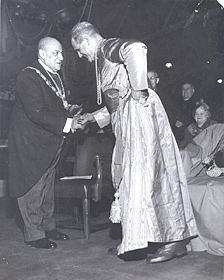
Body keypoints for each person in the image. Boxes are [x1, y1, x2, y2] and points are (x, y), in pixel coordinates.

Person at [70, 21, 197, 264]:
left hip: (140, 119)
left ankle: (174, 239)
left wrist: (139, 89)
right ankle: (140, 240)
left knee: (151, 177)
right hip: (129, 123)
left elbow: (136, 48)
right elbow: (117, 102)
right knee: (137, 181)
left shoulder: (106, 48)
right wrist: (93, 118)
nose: (80, 55)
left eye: (78, 49)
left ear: (85, 40)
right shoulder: (103, 61)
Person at [8, 37, 83, 249]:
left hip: (51, 142)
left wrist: (70, 112)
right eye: (55, 53)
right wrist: (69, 123)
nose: (61, 57)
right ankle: (34, 234)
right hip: (32, 144)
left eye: (61, 53)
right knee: (33, 186)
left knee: (47, 187)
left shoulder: (54, 76)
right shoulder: (29, 76)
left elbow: (55, 107)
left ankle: (48, 226)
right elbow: (37, 113)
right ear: (42, 54)